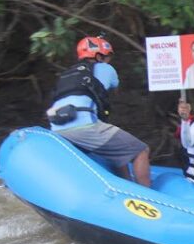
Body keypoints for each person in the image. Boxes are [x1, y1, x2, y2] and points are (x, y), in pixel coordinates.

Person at [46, 35, 151, 187]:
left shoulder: (66, 75)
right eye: (108, 57)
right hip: (85, 127)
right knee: (141, 150)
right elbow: (114, 86)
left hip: (57, 130)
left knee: (115, 152)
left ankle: (126, 187)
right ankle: (147, 199)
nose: (109, 61)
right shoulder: (105, 68)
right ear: (98, 56)